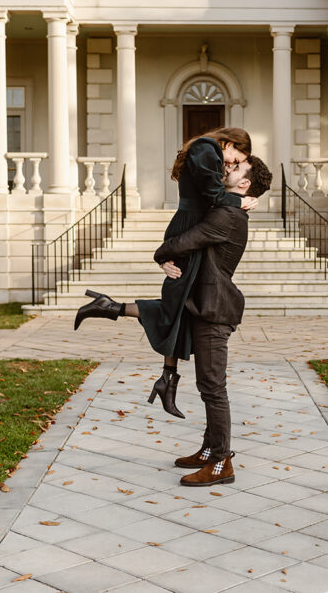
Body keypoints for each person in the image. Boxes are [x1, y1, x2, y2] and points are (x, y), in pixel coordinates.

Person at [73, 128, 257, 418]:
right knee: (175, 306)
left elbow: (211, 192)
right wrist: (239, 201)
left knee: (178, 307)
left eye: (237, 163)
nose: (232, 164)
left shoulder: (206, 151)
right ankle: (114, 313)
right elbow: (212, 193)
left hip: (191, 230)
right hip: (188, 230)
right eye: (236, 157)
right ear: (230, 143)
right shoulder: (206, 149)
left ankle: (165, 378)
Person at [154, 155, 273, 486]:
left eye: (235, 168)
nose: (227, 168)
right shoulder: (231, 207)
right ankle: (209, 450)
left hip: (214, 309)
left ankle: (222, 462)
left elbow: (188, 239)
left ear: (245, 183)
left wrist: (161, 253)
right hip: (205, 305)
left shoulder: (227, 217)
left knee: (213, 387)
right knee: (208, 385)